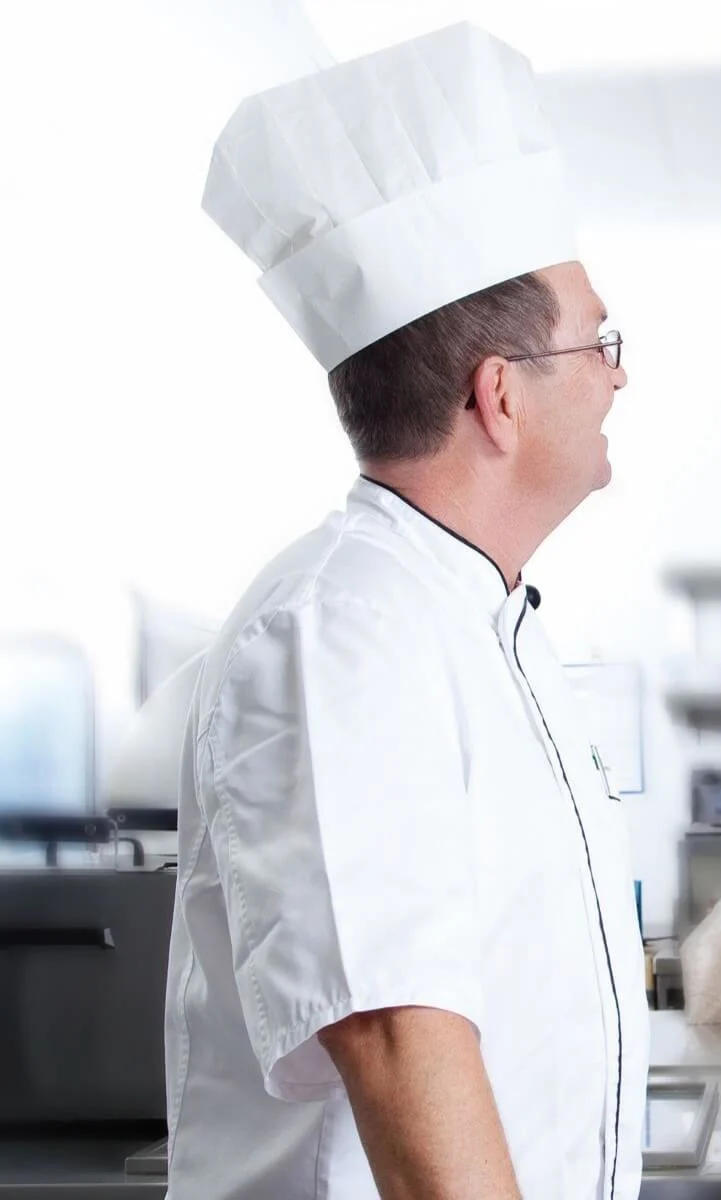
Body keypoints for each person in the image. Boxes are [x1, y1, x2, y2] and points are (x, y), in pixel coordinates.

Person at [164, 24, 646, 1200]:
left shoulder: (476, 618)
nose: (621, 375)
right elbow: (393, 1035)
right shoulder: (345, 630)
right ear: (500, 398)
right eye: (599, 344)